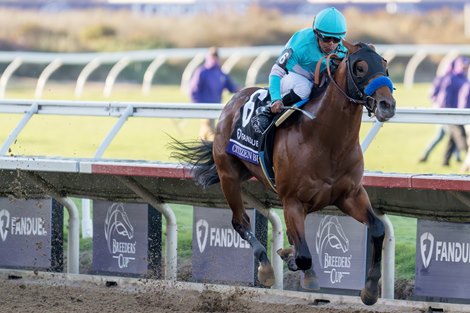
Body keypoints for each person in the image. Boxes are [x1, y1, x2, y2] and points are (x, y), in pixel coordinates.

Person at [255, 7, 348, 132]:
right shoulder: (301, 44)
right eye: (326, 39)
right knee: (304, 87)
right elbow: (276, 72)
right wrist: (276, 98)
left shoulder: (342, 49)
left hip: (314, 80)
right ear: (316, 34)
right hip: (289, 76)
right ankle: (267, 111)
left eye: (336, 39)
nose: (331, 44)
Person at [189, 47, 238, 140]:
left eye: (216, 56)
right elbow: (193, 89)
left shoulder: (221, 72)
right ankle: (213, 147)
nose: (214, 58)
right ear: (208, 57)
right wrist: (196, 105)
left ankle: (200, 148)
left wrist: (242, 90)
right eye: (213, 56)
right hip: (203, 107)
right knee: (210, 130)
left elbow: (231, 87)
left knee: (205, 130)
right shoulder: (201, 72)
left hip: (216, 107)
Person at [418, 59, 461, 163]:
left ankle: (425, 155)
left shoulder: (450, 78)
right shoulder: (448, 79)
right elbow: (433, 94)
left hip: (447, 111)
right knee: (453, 134)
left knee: (441, 136)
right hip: (444, 111)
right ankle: (457, 158)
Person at [437, 56, 470, 166]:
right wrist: (446, 111)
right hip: (450, 112)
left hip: (461, 112)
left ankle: (445, 161)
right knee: (461, 136)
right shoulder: (451, 78)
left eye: (467, 66)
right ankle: (467, 159)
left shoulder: (465, 78)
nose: (465, 68)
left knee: (453, 137)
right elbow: (444, 96)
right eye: (463, 66)